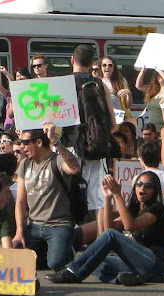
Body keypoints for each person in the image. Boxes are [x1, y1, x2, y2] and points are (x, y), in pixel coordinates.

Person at [46, 172, 164, 286]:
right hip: (140, 267)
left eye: (148, 186)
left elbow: (129, 226)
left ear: (155, 190)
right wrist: (108, 198)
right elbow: (108, 229)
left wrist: (117, 194)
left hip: (157, 267)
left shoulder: (157, 209)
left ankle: (72, 272)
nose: (142, 188)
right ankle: (120, 279)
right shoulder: (134, 210)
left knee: (103, 244)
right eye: (139, 184)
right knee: (94, 257)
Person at [61, 44, 116, 235]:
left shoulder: (62, 84)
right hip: (95, 147)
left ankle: (67, 239)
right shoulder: (100, 85)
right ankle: (104, 240)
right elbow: (113, 123)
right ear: (93, 63)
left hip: (69, 148)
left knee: (66, 194)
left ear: (71, 60)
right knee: (100, 199)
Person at [13, 122, 80, 271]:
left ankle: (67, 248)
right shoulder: (25, 164)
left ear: (38, 142)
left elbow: (75, 168)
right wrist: (19, 232)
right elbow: (20, 201)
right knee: (23, 263)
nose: (22, 147)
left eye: (25, 143)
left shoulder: (57, 160)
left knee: (56, 264)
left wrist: (55, 142)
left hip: (58, 225)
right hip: (33, 226)